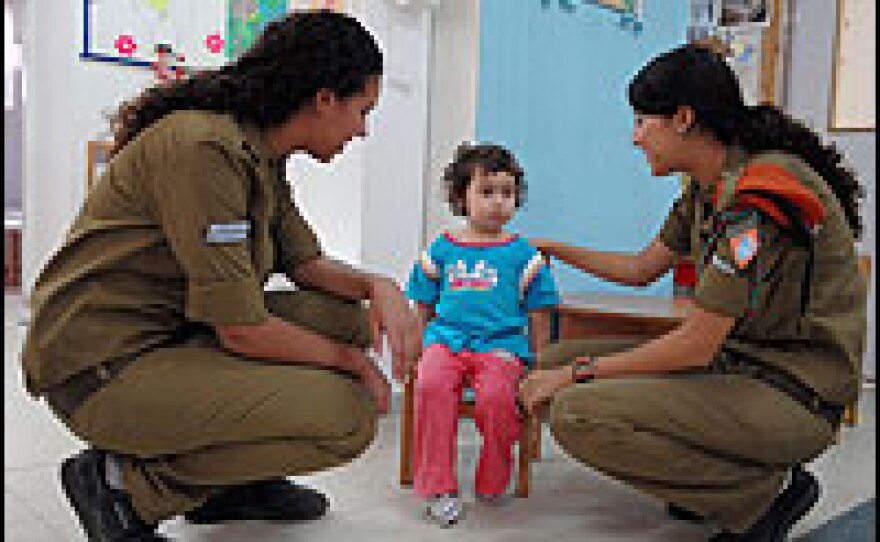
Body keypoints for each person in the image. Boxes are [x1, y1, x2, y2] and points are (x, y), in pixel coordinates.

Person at [20, 10, 421, 541]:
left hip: (167, 338)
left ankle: (231, 484)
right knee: (346, 415)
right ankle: (121, 486)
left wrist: (382, 288)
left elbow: (304, 264)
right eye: (362, 111)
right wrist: (354, 365)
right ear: (325, 98)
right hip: (101, 369)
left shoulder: (260, 149)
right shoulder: (204, 148)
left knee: (341, 317)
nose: (363, 131)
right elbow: (241, 329)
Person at [519, 44, 867, 541]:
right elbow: (642, 268)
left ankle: (762, 496)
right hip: (740, 365)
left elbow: (696, 343)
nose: (636, 138)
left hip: (794, 393)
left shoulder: (756, 199)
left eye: (643, 121)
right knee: (553, 358)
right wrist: (550, 247)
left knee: (576, 406)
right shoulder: (705, 187)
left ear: (683, 118)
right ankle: (726, 484)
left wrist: (576, 375)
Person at [406, 143, 560, 526]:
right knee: (431, 385)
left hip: (501, 346)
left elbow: (540, 310)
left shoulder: (523, 255)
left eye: (507, 193)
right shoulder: (442, 249)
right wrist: (415, 349)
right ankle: (438, 486)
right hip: (446, 340)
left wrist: (539, 361)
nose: (498, 203)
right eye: (486, 192)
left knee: (496, 398)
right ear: (462, 196)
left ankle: (494, 475)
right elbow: (422, 303)